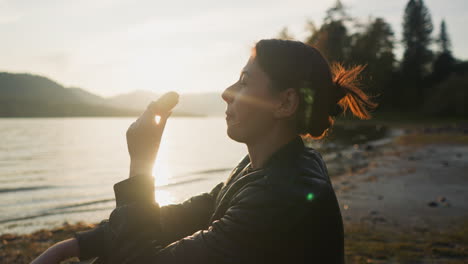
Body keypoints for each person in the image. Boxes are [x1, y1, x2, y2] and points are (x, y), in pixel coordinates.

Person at [31, 39, 376, 264]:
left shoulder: (282, 194)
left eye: (243, 82)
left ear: (285, 102)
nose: (226, 93)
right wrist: (78, 245)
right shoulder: (270, 167)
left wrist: (141, 163)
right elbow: (194, 213)